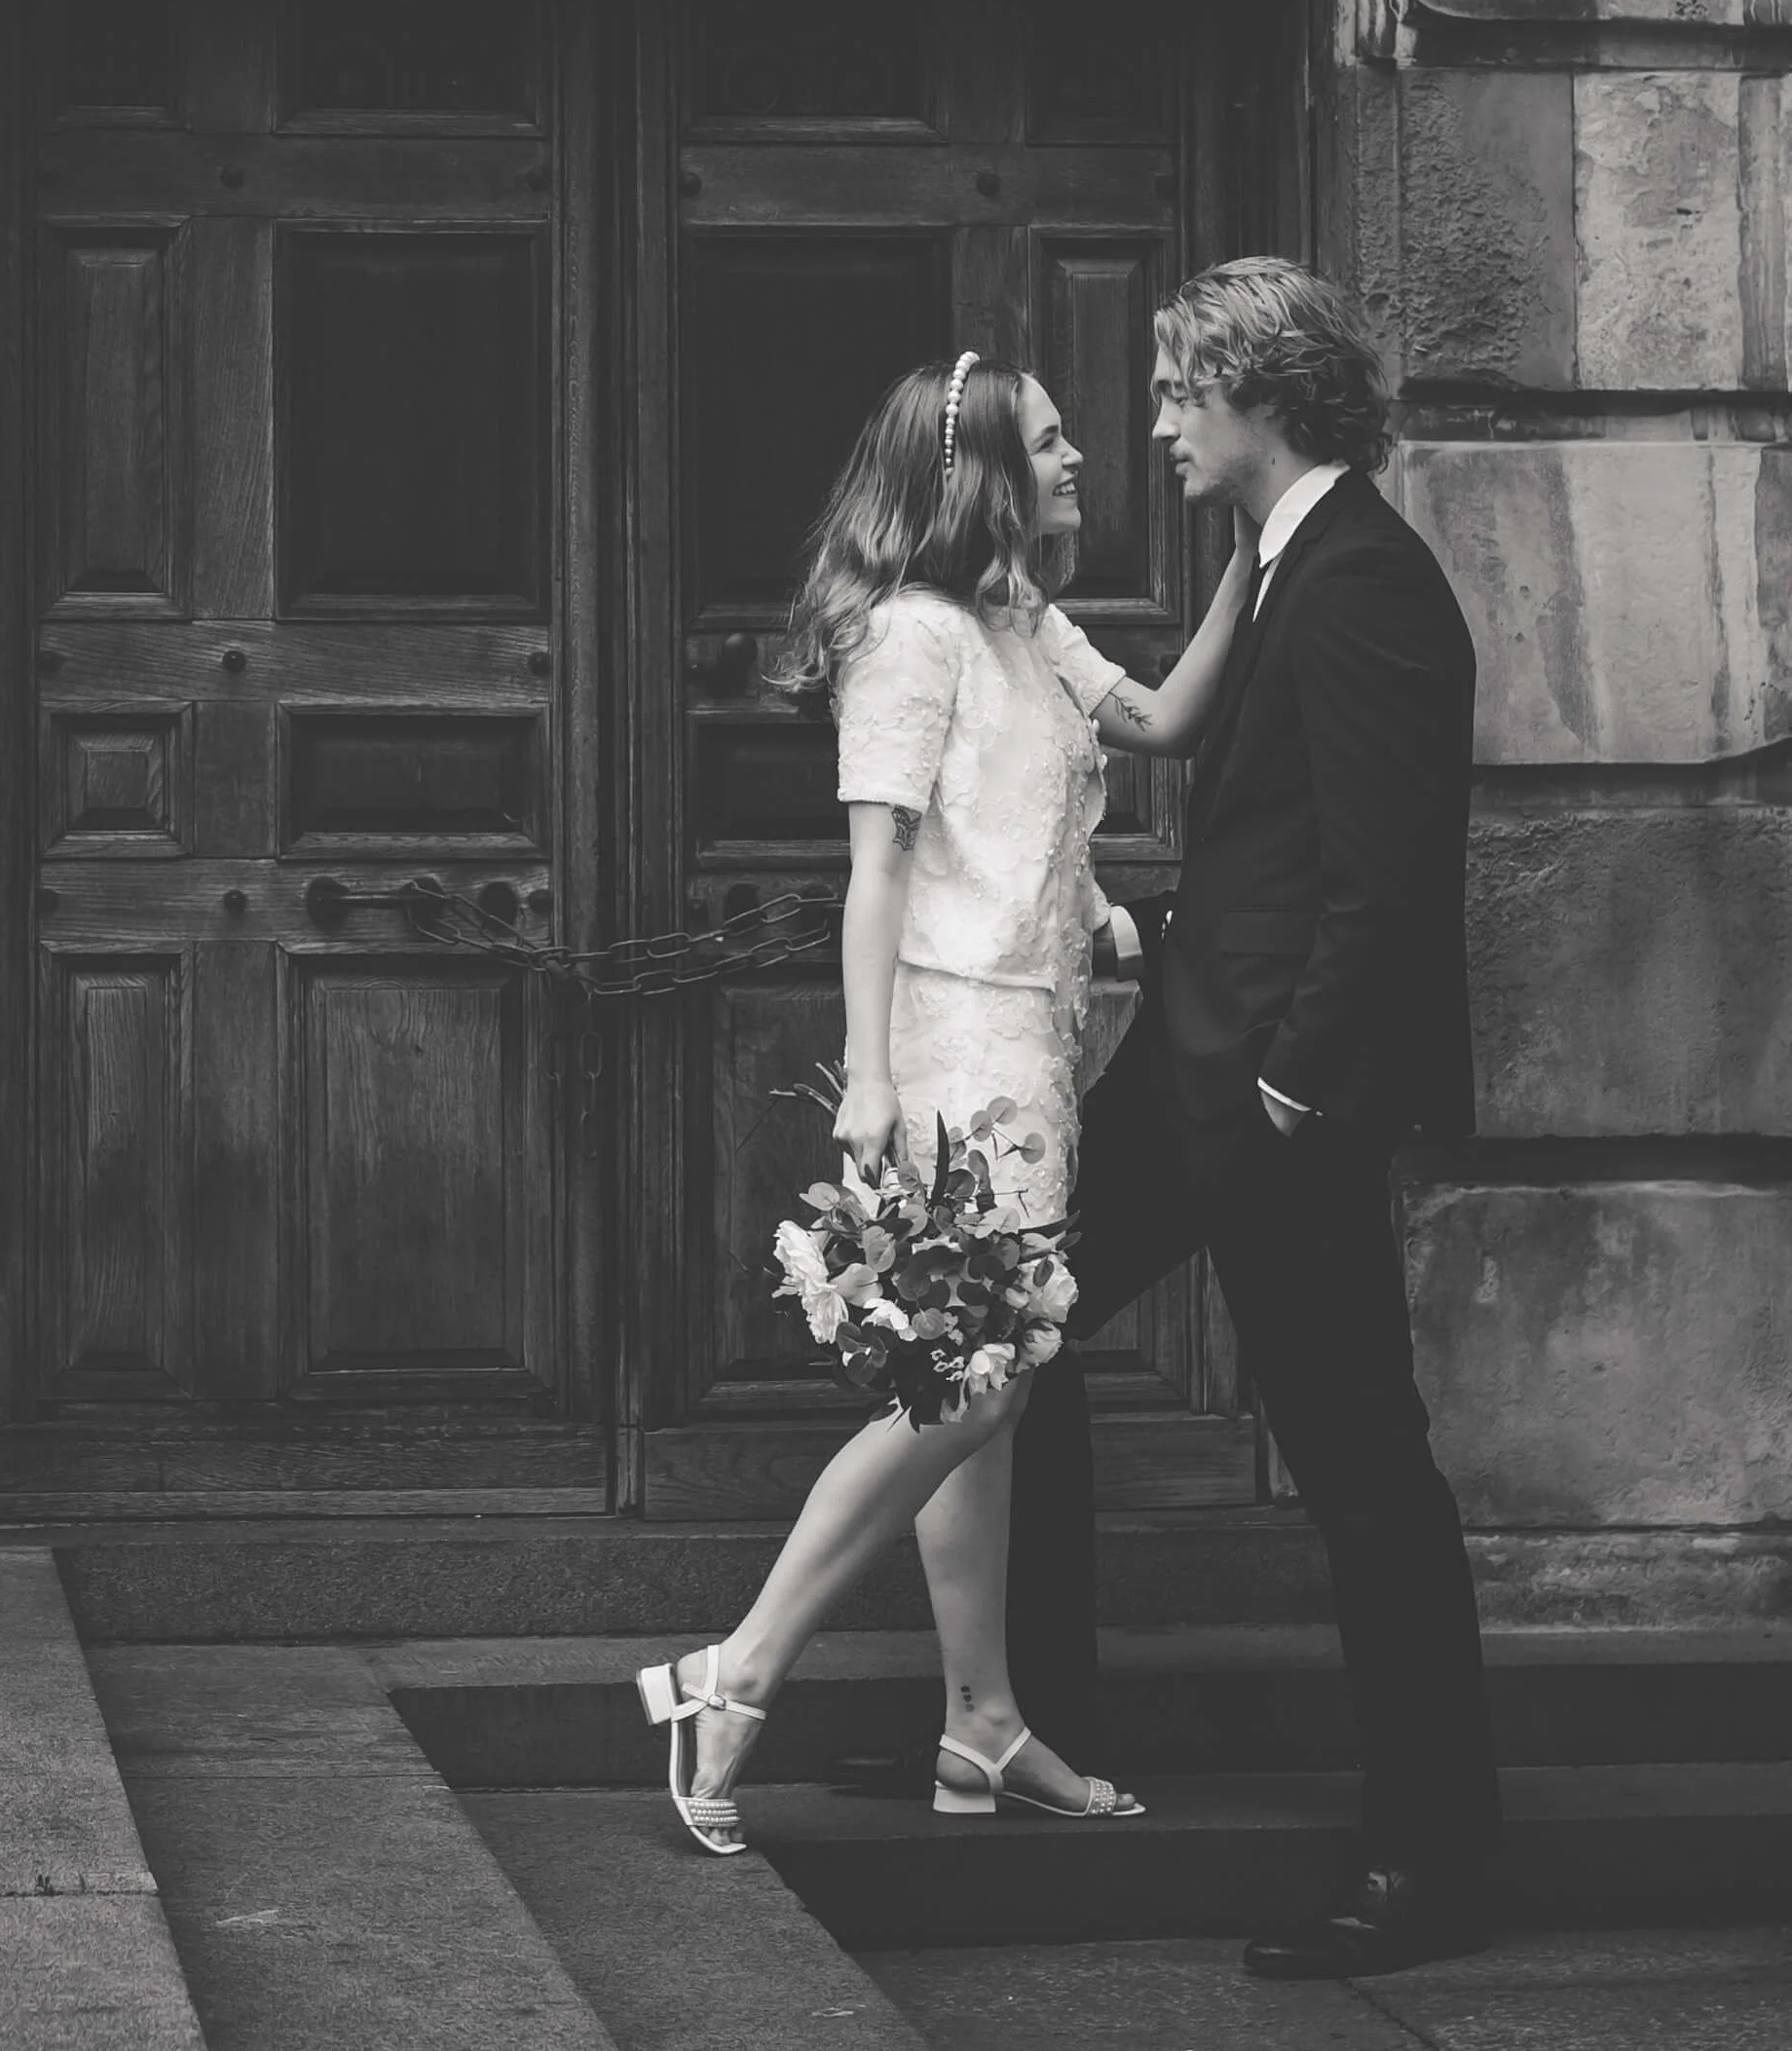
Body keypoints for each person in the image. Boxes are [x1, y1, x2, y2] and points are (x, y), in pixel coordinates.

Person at [635, 349, 1257, 1855]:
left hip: (1034, 1048)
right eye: (1045, 444)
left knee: (996, 1399)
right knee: (962, 1389)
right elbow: (879, 872)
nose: (1075, 462)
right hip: (949, 1059)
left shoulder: (1022, 623)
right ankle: (738, 1669)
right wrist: (871, 1084)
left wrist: (1254, 543)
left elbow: (1164, 719)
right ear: (977, 469)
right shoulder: (911, 637)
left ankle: (979, 1723)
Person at [1007, 257, 1502, 1978]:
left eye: (1170, 393)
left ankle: (1430, 1861)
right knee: (1018, 1327)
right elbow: (1275, 846)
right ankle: (1033, 1727)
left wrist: (1294, 1081)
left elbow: (1382, 880)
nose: (1152, 425)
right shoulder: (1279, 563)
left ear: (1255, 391)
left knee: (1362, 1468)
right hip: (1191, 1068)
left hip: (1274, 1101)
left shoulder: (1365, 579)